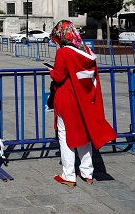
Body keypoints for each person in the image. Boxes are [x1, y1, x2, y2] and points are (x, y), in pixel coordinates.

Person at [47, 20, 116, 187]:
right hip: (84, 98)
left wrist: (51, 71)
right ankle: (87, 173)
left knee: (65, 136)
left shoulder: (64, 52)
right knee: (84, 135)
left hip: (67, 98)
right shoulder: (87, 51)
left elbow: (59, 76)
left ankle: (69, 175)